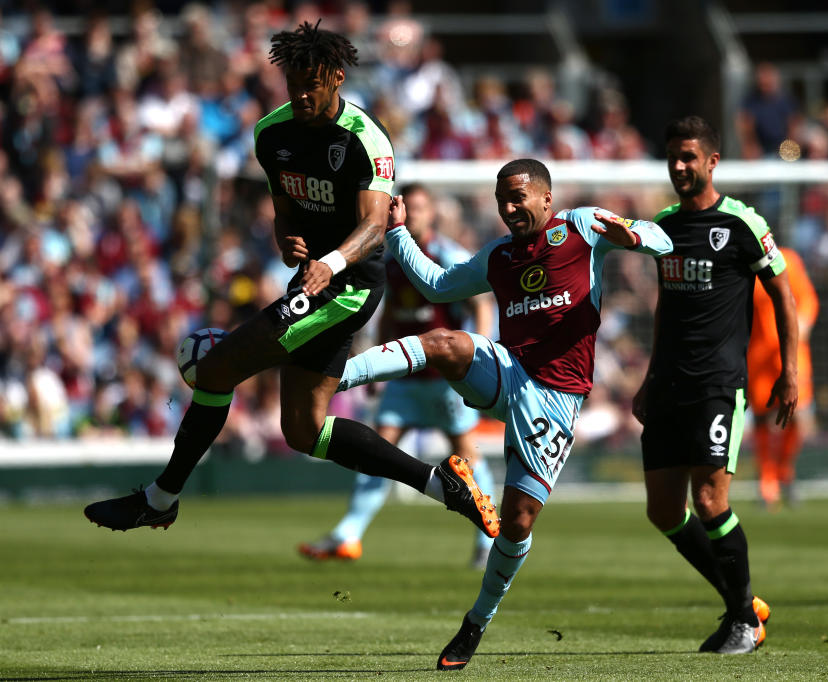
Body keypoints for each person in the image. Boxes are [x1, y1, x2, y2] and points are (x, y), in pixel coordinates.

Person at [83, 19, 499, 542]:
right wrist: (287, 240)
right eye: (294, 82)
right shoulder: (270, 133)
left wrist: (332, 263)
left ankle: (160, 498)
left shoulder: (366, 140)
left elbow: (375, 227)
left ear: (338, 78)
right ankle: (440, 483)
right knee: (304, 430)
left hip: (347, 290)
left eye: (313, 83)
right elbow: (285, 208)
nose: (302, 92)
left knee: (215, 370)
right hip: (310, 283)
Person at [335, 158, 673, 670]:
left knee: (516, 522)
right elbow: (439, 286)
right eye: (502, 200)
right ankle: (335, 375)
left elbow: (662, 241)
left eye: (518, 198)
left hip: (557, 399)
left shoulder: (581, 226)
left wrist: (635, 235)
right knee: (443, 342)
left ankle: (475, 623)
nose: (510, 208)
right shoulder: (497, 256)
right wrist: (399, 232)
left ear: (545, 198)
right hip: (509, 371)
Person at [634, 116, 798, 654]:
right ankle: (744, 603)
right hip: (668, 384)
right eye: (673, 158)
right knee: (663, 511)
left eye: (689, 157)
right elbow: (665, 307)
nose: (680, 167)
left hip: (717, 385)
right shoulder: (662, 225)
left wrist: (789, 370)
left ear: (711, 162)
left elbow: (783, 296)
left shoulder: (743, 222)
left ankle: (742, 621)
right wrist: (649, 377)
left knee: (709, 501)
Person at [297, 183, 497, 568]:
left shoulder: (448, 254)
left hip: (444, 379)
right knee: (377, 450)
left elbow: (481, 304)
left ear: (432, 213)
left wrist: (477, 359)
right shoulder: (391, 261)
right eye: (410, 209)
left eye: (421, 208)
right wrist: (379, 370)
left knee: (466, 455)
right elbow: (390, 317)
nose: (415, 215)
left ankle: (487, 541)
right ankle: (348, 534)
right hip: (405, 379)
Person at [747, 247, 819, 508]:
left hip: (792, 351)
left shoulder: (789, 259)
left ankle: (785, 470)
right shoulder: (741, 263)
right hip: (758, 354)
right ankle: (767, 481)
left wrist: (803, 323)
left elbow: (808, 299)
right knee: (763, 417)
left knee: (798, 413)